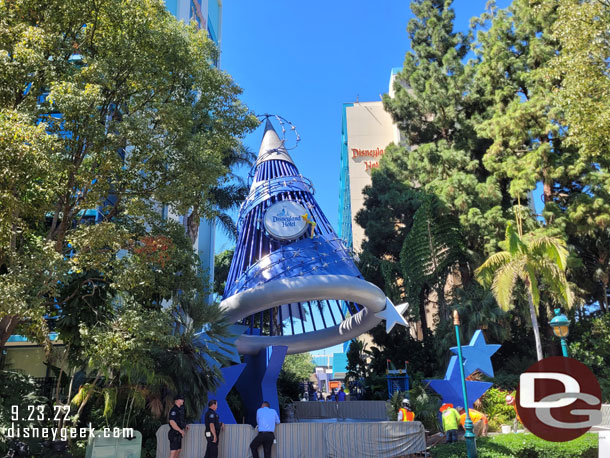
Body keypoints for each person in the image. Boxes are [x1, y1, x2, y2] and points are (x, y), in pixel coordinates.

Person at [168, 394, 188, 458]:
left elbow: (180, 421)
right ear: (177, 400)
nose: (183, 401)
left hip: (178, 434)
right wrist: (180, 430)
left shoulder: (180, 410)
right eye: (181, 399)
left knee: (178, 450)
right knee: (173, 451)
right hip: (174, 433)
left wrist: (185, 426)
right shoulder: (174, 410)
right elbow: (172, 422)